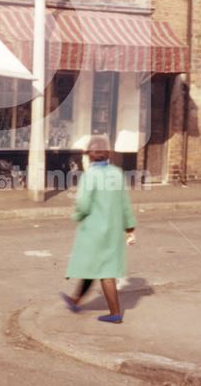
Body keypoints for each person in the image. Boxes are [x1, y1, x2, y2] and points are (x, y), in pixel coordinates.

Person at [61, 135, 137, 323]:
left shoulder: (90, 176)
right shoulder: (117, 173)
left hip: (94, 230)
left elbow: (84, 204)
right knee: (94, 266)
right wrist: (129, 226)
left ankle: (115, 313)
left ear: (90, 156)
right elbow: (125, 203)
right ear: (108, 155)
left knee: (104, 271)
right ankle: (75, 299)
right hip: (112, 230)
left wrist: (77, 216)